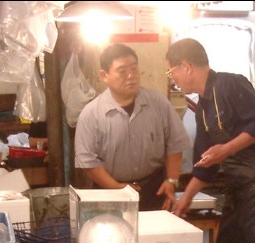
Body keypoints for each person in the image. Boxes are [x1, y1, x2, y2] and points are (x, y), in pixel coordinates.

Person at [165, 38, 255, 243]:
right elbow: (205, 164)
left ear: (186, 66)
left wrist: (226, 149)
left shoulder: (229, 84)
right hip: (237, 193)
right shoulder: (202, 109)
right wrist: (184, 199)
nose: (172, 78)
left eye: (172, 71)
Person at [75, 43, 190, 211]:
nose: (131, 76)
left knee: (155, 236)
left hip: (154, 189)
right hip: (109, 192)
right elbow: (88, 162)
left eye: (134, 69)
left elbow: (176, 144)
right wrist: (117, 188)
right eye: (122, 71)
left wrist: (172, 181)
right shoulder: (91, 114)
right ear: (104, 75)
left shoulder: (158, 103)